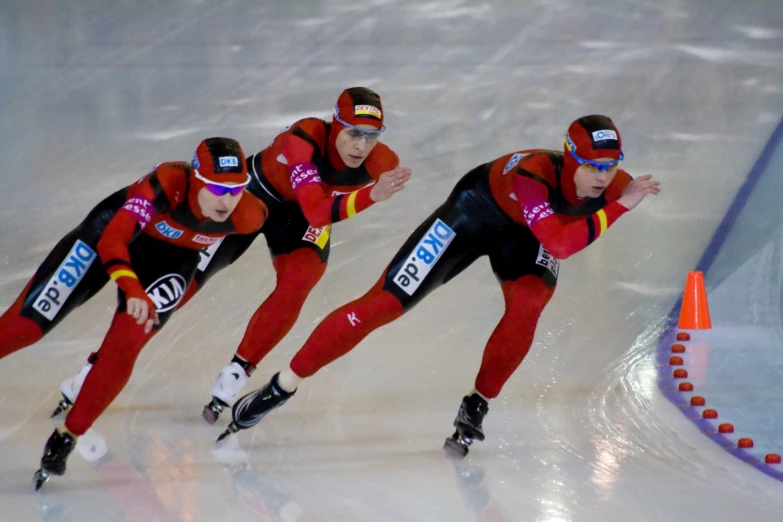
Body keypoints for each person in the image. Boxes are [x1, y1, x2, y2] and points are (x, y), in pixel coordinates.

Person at [217, 115, 661, 459]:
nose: (602, 178)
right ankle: (282, 385)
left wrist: (616, 199)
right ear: (570, 158)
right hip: (472, 213)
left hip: (528, 236)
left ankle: (478, 404)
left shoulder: (616, 183)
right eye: (591, 166)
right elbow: (562, 244)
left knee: (528, 304)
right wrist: (620, 207)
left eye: (610, 167)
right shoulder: (535, 173)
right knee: (384, 304)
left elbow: (556, 241)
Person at [49, 86, 412, 426]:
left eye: (371, 136)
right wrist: (371, 196)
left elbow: (315, 214)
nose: (361, 146)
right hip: (252, 199)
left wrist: (372, 192)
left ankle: (238, 371)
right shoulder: (304, 136)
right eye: (352, 133)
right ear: (335, 125)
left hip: (300, 217)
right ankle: (96, 366)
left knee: (299, 281)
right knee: (183, 283)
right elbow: (319, 211)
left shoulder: (383, 160)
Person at [0, 137, 268, 489]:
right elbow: (113, 240)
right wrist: (131, 287)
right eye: (218, 188)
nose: (227, 200)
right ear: (197, 179)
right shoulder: (167, 183)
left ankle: (67, 437)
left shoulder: (249, 215)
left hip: (170, 261)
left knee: (126, 343)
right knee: (26, 327)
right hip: (107, 238)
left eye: (236, 189)